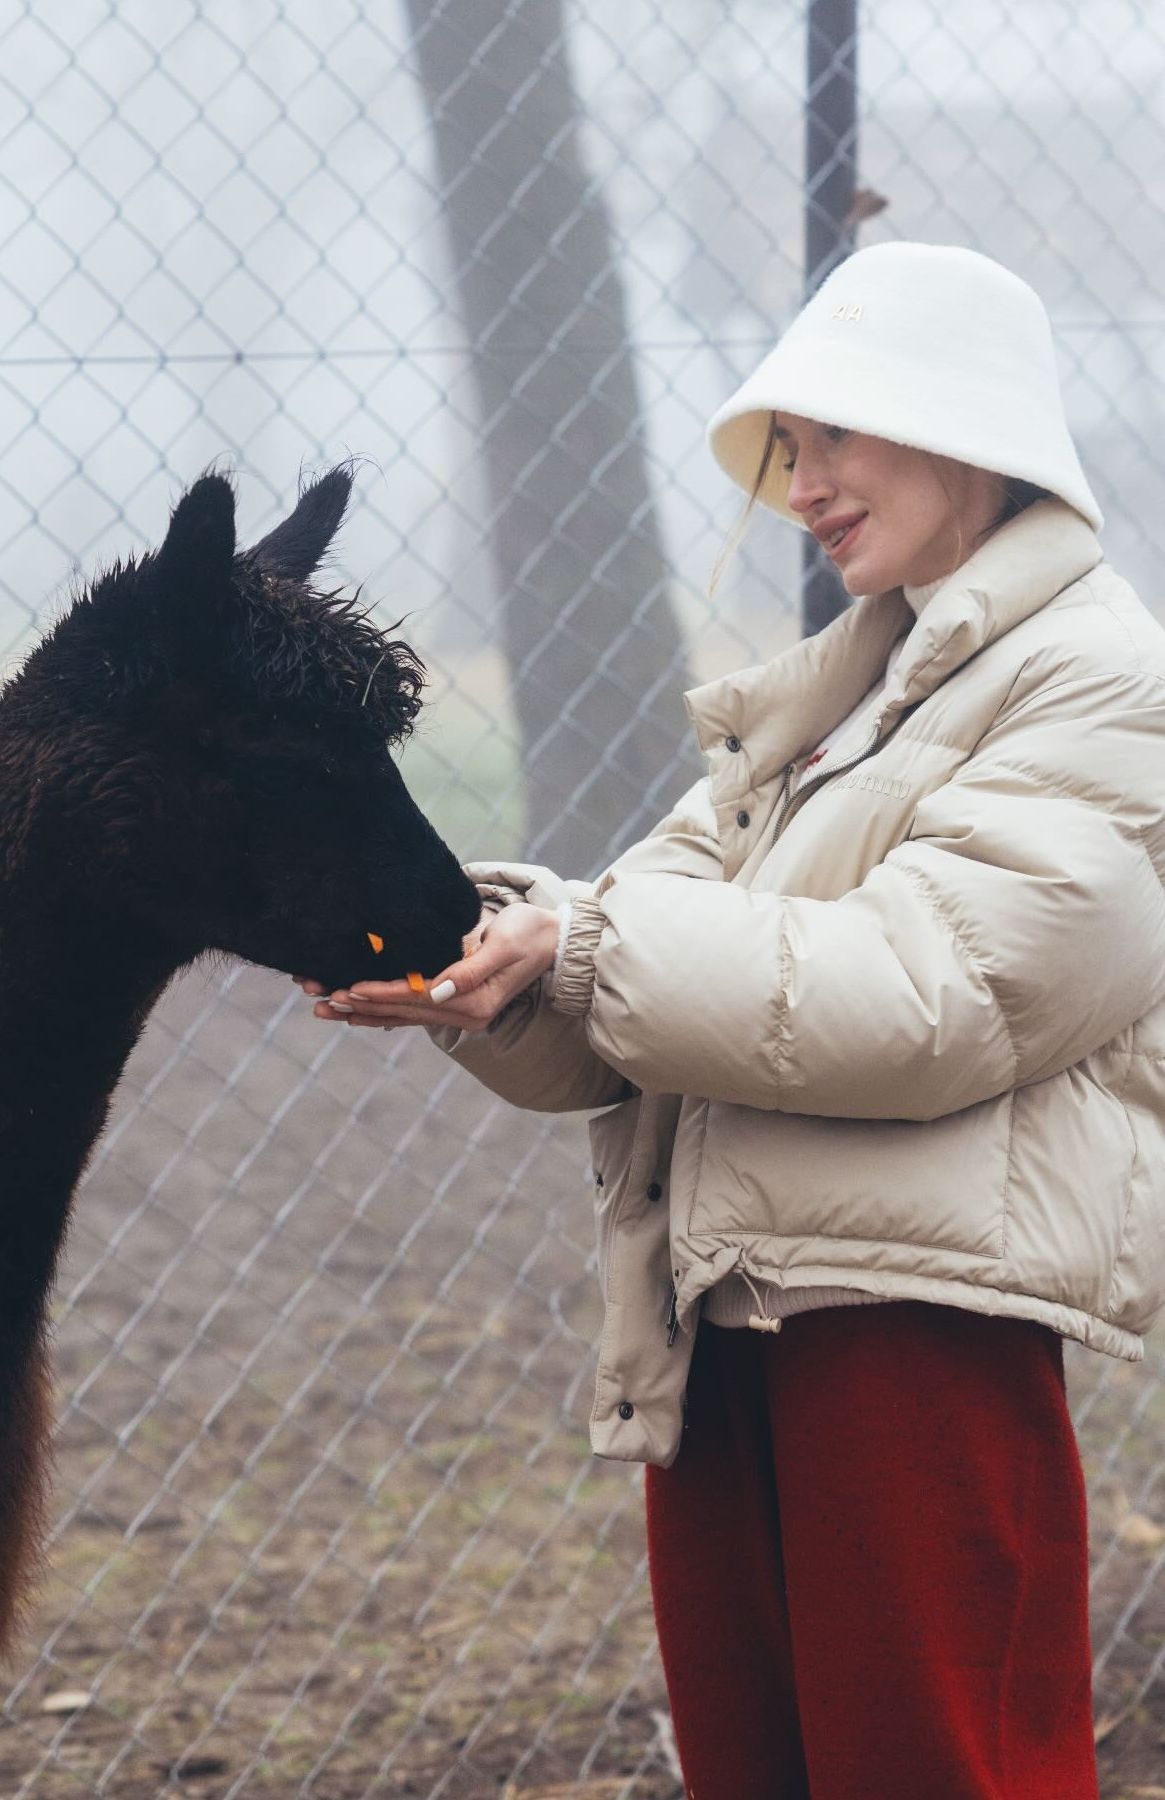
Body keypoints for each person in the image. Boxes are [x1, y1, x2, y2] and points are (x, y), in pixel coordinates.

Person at [300, 241, 1165, 1799]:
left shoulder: (1096, 680)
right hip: (726, 1321)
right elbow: (620, 990)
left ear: (962, 420)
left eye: (836, 434)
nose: (803, 485)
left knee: (939, 1772)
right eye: (791, 451)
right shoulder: (829, 702)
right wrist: (473, 952)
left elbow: (933, 999)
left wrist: (587, 940)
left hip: (915, 1342)